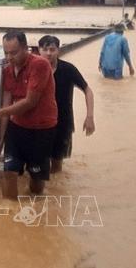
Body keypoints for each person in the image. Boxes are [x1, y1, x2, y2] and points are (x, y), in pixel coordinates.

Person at [0, 30, 57, 199]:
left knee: (36, 182)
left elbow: (30, 102)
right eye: (5, 52)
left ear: (25, 48)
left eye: (13, 52)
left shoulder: (40, 65)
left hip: (41, 129)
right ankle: (10, 215)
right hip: (18, 127)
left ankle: (34, 211)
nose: (9, 57)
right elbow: (7, 103)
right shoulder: (7, 71)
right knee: (9, 172)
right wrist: (0, 139)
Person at [38, 35, 95, 173]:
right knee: (38, 163)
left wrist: (90, 117)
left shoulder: (68, 69)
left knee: (57, 164)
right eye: (45, 49)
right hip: (39, 123)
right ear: (39, 50)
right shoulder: (35, 69)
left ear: (58, 50)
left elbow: (87, 90)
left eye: (52, 49)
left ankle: (56, 192)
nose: (49, 53)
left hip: (62, 123)